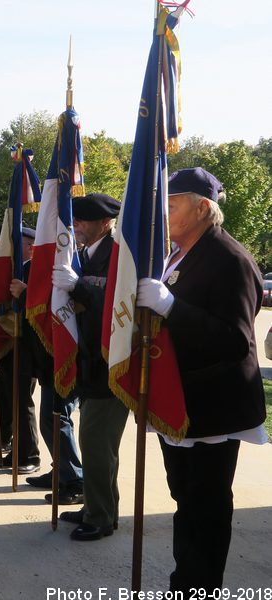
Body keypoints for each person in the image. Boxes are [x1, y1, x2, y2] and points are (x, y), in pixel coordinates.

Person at [134, 168, 267, 591]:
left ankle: (200, 586)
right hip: (178, 399)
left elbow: (235, 341)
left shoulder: (231, 259)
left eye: (171, 206)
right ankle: (186, 580)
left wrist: (171, 306)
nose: (164, 215)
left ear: (202, 208)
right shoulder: (177, 254)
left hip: (212, 406)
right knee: (184, 500)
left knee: (205, 507)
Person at [52, 194, 122, 538]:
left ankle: (101, 518)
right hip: (91, 364)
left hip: (111, 366)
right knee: (96, 445)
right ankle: (97, 506)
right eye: (74, 219)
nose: (75, 224)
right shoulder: (84, 255)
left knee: (97, 445)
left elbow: (114, 301)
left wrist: (77, 285)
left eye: (83, 219)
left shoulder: (118, 255)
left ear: (104, 223)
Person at [0, 227, 40, 475]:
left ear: (30, 247)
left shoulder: (34, 270)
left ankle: (30, 455)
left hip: (26, 347)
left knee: (22, 402)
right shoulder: (17, 270)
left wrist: (25, 292)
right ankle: (17, 451)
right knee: (12, 401)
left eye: (19, 245)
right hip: (10, 345)